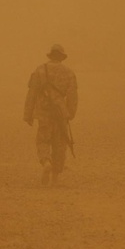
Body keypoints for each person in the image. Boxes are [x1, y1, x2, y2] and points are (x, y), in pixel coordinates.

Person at [23, 44, 78, 186]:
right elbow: (72, 96)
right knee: (59, 144)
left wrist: (28, 114)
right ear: (61, 57)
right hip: (60, 113)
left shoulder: (39, 70)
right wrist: (70, 113)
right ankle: (55, 177)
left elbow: (32, 93)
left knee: (43, 140)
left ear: (50, 55)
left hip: (44, 112)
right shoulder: (69, 73)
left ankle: (46, 162)